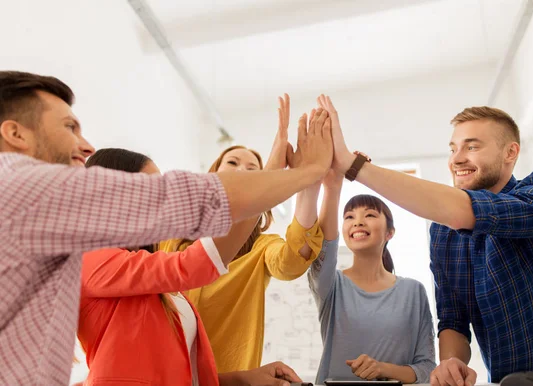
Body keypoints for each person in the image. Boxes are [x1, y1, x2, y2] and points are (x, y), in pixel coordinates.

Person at [0, 70, 333, 386]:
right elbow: (196, 238)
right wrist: (306, 171)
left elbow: (165, 371)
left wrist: (241, 378)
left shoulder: (71, 244)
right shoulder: (53, 217)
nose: (86, 146)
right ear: (15, 133)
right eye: (70, 127)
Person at [317, 94, 533, 384]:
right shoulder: (443, 233)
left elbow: (466, 210)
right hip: (510, 381)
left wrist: (353, 165)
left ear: (510, 152)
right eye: (453, 149)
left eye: (472, 146)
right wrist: (451, 361)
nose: (457, 159)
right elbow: (453, 318)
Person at [77, 148, 303, 386]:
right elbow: (194, 264)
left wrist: (243, 379)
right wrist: (281, 177)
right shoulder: (90, 260)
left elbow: (179, 377)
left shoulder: (157, 284)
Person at [160, 94, 325, 372]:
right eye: (233, 163)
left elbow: (293, 260)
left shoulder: (261, 248)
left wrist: (308, 184)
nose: (242, 172)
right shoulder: (172, 236)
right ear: (213, 173)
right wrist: (271, 174)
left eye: (253, 169)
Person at [308, 168, 435, 384]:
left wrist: (383, 369)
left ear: (389, 232)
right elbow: (324, 247)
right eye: (349, 216)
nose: (357, 222)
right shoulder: (330, 285)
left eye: (369, 215)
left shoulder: (413, 292)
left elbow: (427, 369)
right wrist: (332, 186)